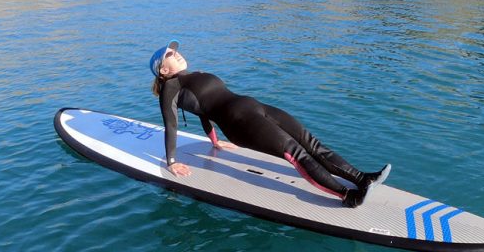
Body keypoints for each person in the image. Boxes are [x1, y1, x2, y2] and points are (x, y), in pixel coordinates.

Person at [149, 40, 391, 207]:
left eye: (175, 49)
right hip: (240, 123)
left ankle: (362, 178)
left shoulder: (197, 74)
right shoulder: (171, 88)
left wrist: (215, 142)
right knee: (295, 153)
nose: (176, 53)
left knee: (309, 141)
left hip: (256, 107)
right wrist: (172, 162)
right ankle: (346, 195)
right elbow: (171, 124)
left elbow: (203, 112)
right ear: (162, 71)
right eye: (169, 54)